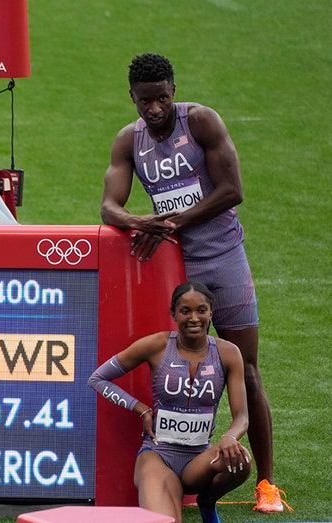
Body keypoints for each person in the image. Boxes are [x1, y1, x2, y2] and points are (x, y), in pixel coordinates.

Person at [99, 53, 286, 512]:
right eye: (146, 101)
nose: (155, 108)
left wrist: (173, 222)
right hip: (175, 269)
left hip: (223, 261)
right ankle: (179, 459)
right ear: (133, 99)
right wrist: (139, 219)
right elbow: (109, 207)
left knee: (250, 368)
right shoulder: (130, 141)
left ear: (174, 91)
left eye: (162, 98)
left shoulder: (201, 122)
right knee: (176, 366)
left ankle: (267, 485)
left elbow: (231, 190)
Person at [88, 281, 250, 523]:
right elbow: (98, 378)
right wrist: (141, 409)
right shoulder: (156, 345)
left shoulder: (228, 353)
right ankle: (169, 492)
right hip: (157, 455)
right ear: (173, 314)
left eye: (201, 310)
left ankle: (206, 502)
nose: (194, 318)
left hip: (199, 459)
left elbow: (242, 416)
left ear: (211, 313)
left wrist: (229, 437)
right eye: (185, 311)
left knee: (241, 461)